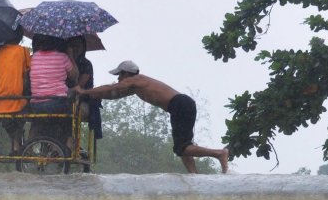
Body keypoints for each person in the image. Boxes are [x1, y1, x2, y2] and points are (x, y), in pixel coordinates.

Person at [74, 60, 229, 173]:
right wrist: (94, 96)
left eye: (119, 75)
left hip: (179, 104)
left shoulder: (137, 80)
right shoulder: (136, 86)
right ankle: (194, 177)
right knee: (183, 146)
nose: (118, 79)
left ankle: (218, 154)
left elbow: (112, 87)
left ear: (126, 74)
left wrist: (84, 91)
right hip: (181, 105)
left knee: (182, 148)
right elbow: (113, 94)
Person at [0, 30, 30, 156]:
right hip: (14, 99)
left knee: (3, 120)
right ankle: (16, 145)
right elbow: (26, 77)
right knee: (22, 116)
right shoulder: (23, 51)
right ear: (20, 37)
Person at [27, 35, 78, 148]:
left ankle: (28, 145)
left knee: (38, 121)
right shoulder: (63, 57)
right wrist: (71, 56)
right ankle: (68, 144)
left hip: (36, 104)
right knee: (69, 118)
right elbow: (74, 76)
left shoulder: (34, 57)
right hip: (57, 102)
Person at [65, 36, 102, 156]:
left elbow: (79, 87)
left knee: (71, 114)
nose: (75, 48)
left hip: (83, 102)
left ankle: (70, 145)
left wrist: (71, 61)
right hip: (64, 100)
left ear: (83, 48)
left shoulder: (86, 64)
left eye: (78, 46)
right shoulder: (63, 62)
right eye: (72, 45)